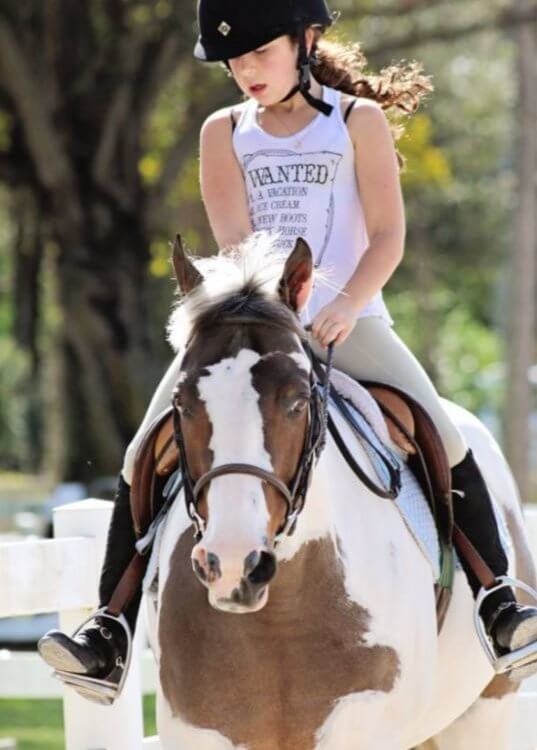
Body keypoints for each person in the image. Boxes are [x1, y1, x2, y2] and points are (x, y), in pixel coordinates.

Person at [38, 0, 537, 693]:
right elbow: (237, 245)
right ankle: (110, 629)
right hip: (257, 324)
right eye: (234, 61)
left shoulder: (353, 122)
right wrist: (275, 316)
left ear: (304, 41)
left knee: (440, 431)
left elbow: (388, 235)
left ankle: (496, 601)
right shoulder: (224, 132)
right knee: (141, 447)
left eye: (258, 53)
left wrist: (345, 304)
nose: (246, 70)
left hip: (350, 320)